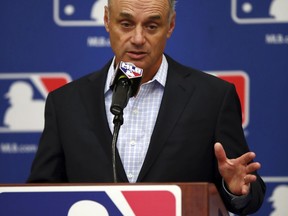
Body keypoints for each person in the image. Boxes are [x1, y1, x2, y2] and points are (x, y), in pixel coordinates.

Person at [27, 0, 266, 214]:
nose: (138, 38)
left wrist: (233, 188)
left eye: (152, 26)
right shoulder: (65, 103)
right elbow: (39, 194)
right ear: (107, 21)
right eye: (126, 24)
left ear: (170, 26)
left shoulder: (213, 98)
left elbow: (248, 190)